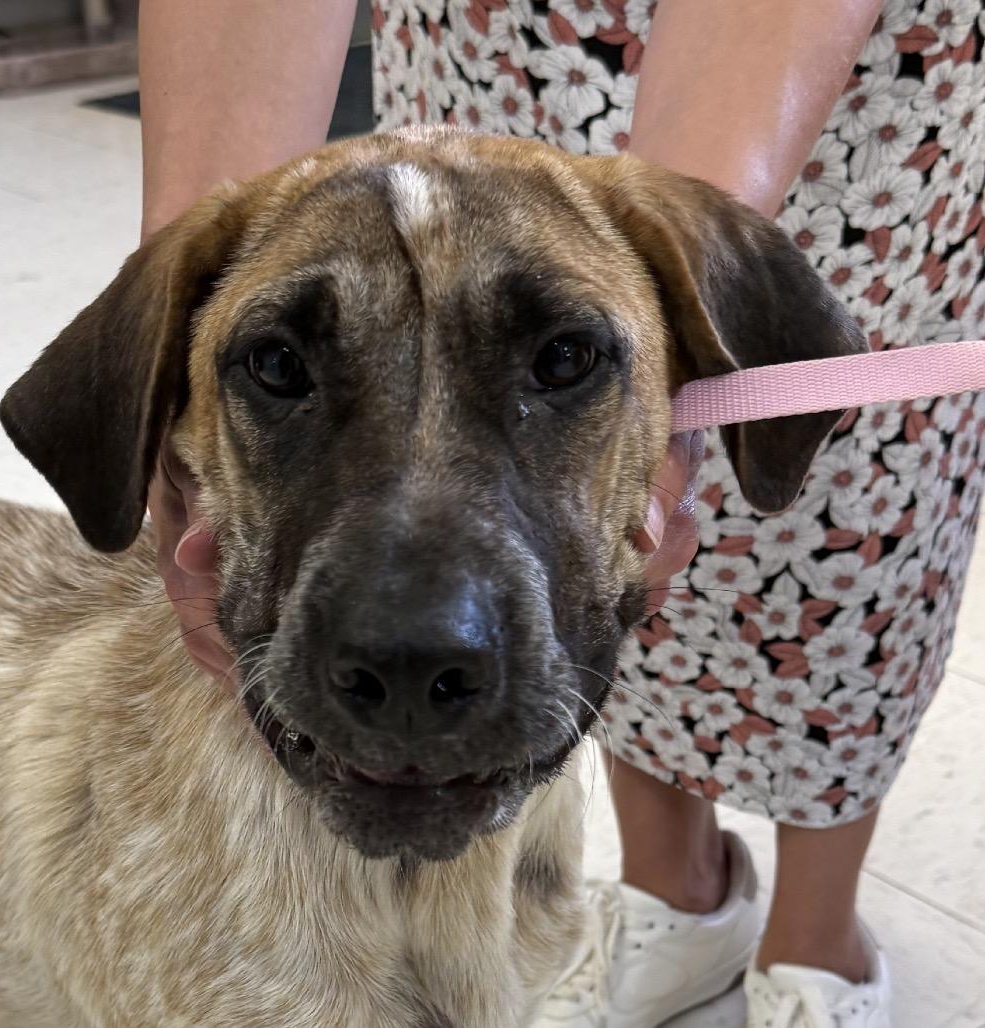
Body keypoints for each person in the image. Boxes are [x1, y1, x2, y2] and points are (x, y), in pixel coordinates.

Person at [139, 2, 985, 1025]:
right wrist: (177, 331)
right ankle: (674, 892)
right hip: (506, 40)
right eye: (278, 367)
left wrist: (665, 297)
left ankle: (817, 939)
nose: (409, 638)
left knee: (831, 565)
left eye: (563, 359)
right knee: (626, 601)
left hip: (840, 100)